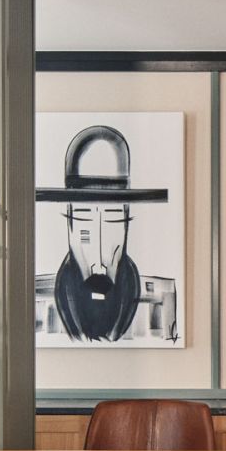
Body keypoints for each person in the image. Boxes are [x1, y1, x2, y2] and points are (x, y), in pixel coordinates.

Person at [33, 125, 178, 343]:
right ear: (69, 224)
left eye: (113, 221)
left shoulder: (159, 302)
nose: (99, 262)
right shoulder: (37, 306)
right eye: (84, 224)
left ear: (127, 224)